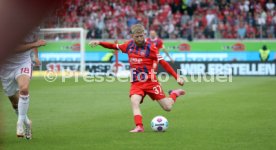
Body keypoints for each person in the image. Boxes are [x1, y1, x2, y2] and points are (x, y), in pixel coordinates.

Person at [89, 24, 185, 133]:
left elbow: (163, 63)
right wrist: (99, 43)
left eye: (141, 36)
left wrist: (177, 77)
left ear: (144, 34)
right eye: (137, 36)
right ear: (132, 36)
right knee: (134, 101)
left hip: (151, 82)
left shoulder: (151, 48)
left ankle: (174, 94)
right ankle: (139, 126)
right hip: (137, 83)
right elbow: (113, 46)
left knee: (167, 107)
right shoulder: (128, 45)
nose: (139, 38)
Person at [0, 28, 46, 139]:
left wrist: (35, 56)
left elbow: (35, 40)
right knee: (14, 103)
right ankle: (27, 123)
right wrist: (35, 44)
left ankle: (20, 123)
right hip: (5, 67)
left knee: (24, 89)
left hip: (23, 63)